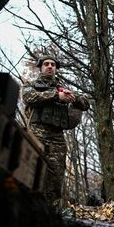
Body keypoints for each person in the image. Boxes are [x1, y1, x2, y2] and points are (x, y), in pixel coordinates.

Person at [22, 54, 90, 207]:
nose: (50, 66)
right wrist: (55, 96)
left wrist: (74, 98)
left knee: (55, 177)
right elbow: (29, 98)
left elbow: (85, 104)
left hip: (57, 138)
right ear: (40, 67)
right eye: (46, 64)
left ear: (56, 69)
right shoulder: (30, 85)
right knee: (32, 172)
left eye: (53, 64)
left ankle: (50, 212)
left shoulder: (63, 89)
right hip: (36, 135)